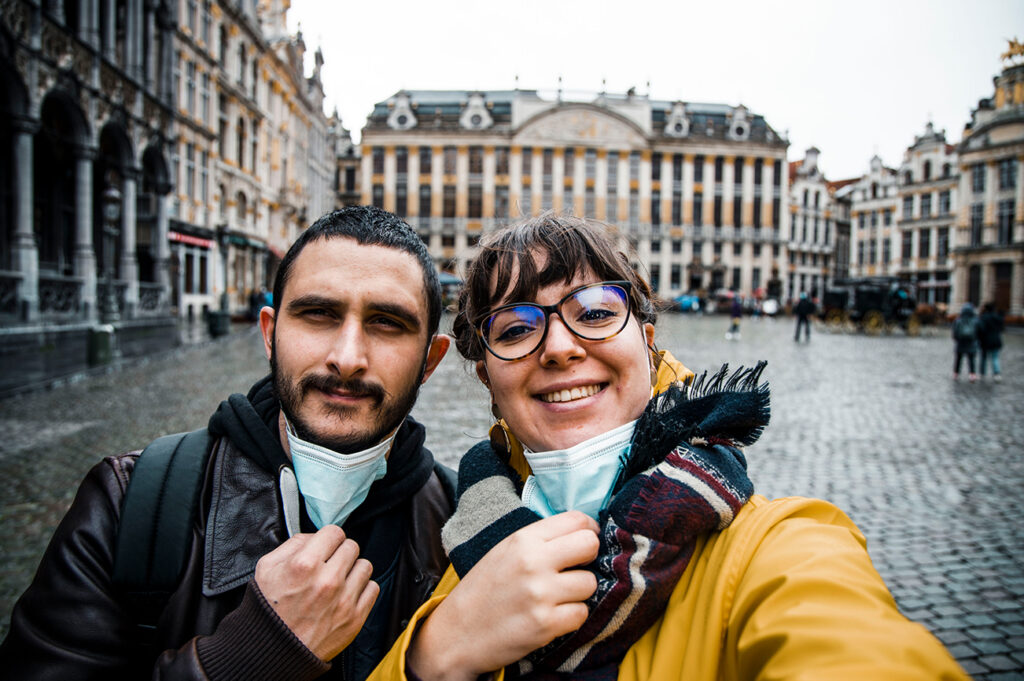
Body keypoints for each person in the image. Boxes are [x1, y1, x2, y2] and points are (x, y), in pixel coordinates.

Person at [370, 214, 968, 681]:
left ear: (648, 346)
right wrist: (431, 656)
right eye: (517, 329)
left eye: (596, 312)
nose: (558, 348)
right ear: (489, 383)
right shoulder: (467, 549)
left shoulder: (779, 551)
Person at [0, 206, 455, 680]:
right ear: (270, 334)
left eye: (386, 323)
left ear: (429, 361)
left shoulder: (458, 527)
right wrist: (248, 657)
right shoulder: (128, 507)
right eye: (318, 314)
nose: (346, 357)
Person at [952, 302, 980, 382]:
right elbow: (978, 332)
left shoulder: (958, 320)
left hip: (960, 343)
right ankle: (972, 375)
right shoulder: (975, 321)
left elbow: (955, 332)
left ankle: (956, 374)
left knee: (958, 359)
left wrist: (957, 339)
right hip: (971, 343)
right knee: (971, 360)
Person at [978, 302, 1005, 382]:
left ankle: (982, 374)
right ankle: (997, 374)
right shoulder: (997, 317)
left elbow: (981, 329)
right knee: (995, 358)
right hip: (996, 340)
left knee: (983, 358)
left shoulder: (984, 317)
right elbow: (1002, 327)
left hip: (985, 340)